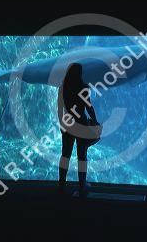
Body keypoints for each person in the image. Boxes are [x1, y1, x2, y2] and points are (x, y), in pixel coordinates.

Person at [57, 63, 99, 197]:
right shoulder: (83, 87)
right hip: (81, 124)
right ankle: (82, 184)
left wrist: (61, 123)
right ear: (80, 73)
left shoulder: (62, 87)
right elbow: (88, 106)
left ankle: (61, 183)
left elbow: (59, 108)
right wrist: (95, 121)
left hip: (67, 124)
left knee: (65, 155)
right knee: (82, 155)